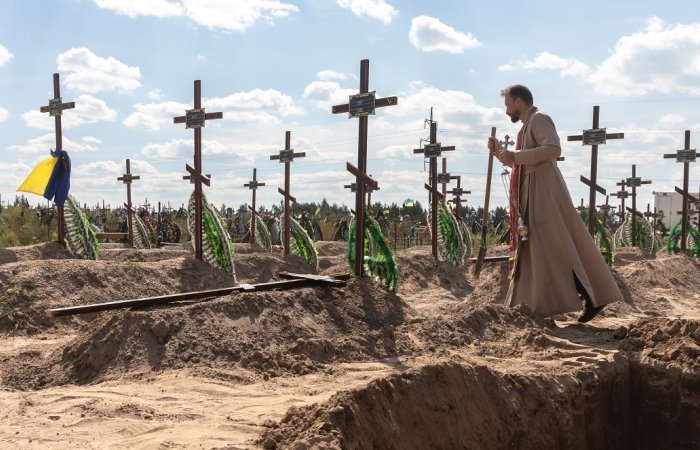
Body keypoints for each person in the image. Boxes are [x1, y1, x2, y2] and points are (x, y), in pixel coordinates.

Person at [487, 84, 622, 323]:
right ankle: (549, 303)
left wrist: (514, 156)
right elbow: (520, 163)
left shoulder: (539, 118)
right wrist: (500, 152)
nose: (507, 110)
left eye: (508, 104)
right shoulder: (526, 127)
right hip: (534, 192)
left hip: (545, 192)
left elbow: (552, 149)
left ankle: (593, 296)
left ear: (519, 102)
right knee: (544, 251)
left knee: (559, 246)